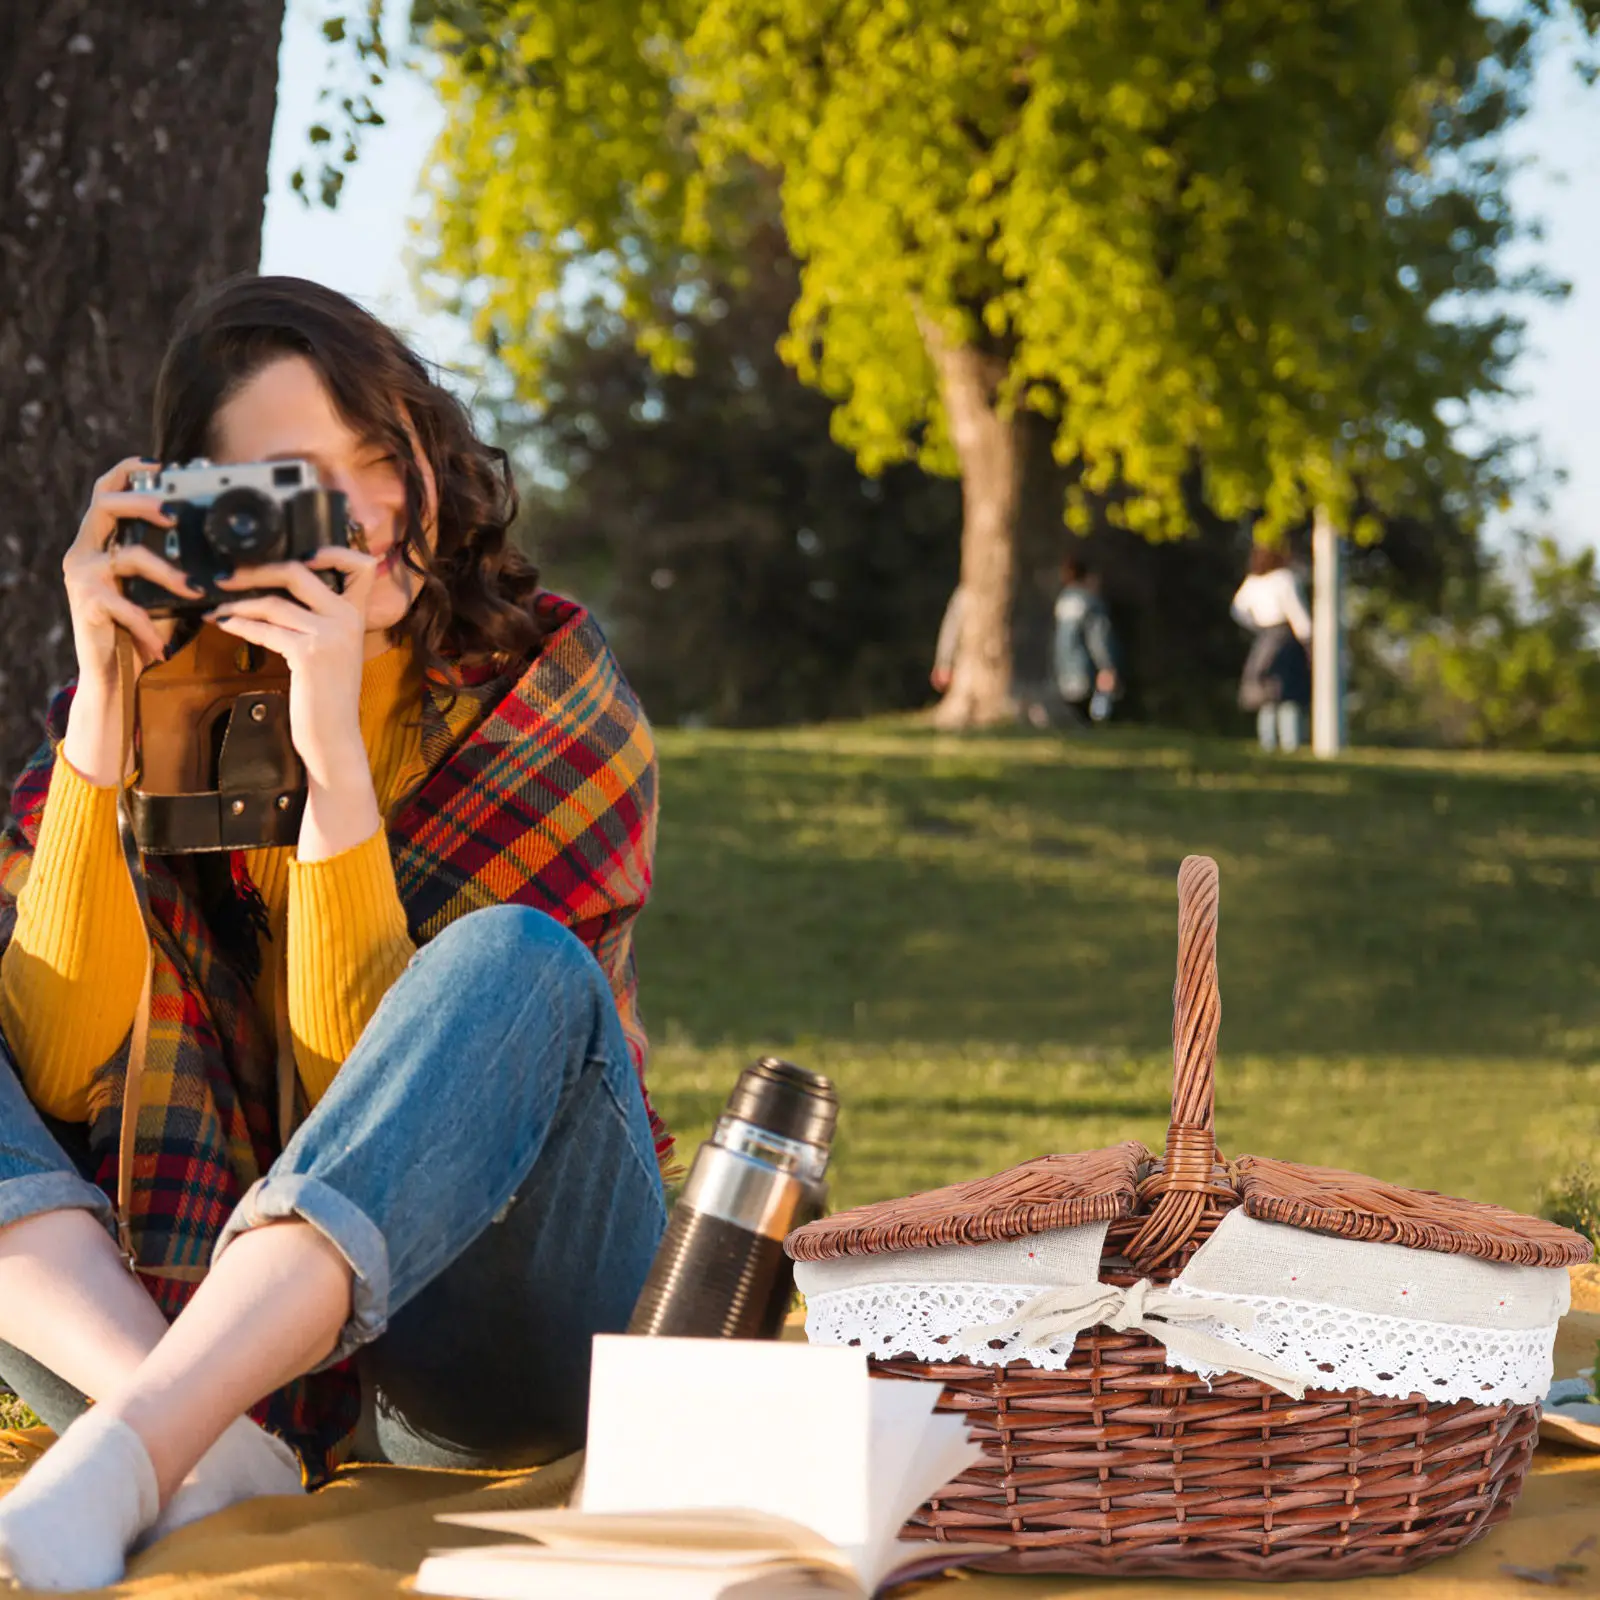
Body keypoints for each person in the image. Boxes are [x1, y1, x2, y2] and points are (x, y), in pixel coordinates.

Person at [0, 277, 671, 1590]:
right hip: (183, 1331)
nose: (369, 515)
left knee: (515, 965)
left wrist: (329, 757)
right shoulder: (163, 711)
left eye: (382, 455)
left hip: (499, 1332)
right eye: (297, 491)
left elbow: (368, 1103)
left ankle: (138, 1448)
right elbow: (60, 1070)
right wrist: (98, 711)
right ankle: (200, 1443)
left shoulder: (548, 693)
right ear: (199, 524)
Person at [1231, 543, 1312, 752]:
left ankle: (1268, 743)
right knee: (1287, 693)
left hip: (1264, 638)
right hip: (1285, 637)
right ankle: (1289, 744)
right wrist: (1308, 641)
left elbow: (1237, 610)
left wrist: (1256, 627)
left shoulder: (1253, 582)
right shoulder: (1285, 579)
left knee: (1266, 694)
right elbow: (1297, 614)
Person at [1052, 558, 1120, 724]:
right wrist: (1107, 667)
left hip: (1064, 673)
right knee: (1097, 719)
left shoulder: (1062, 602)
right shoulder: (1091, 602)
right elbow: (1098, 638)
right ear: (1088, 577)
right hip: (1087, 672)